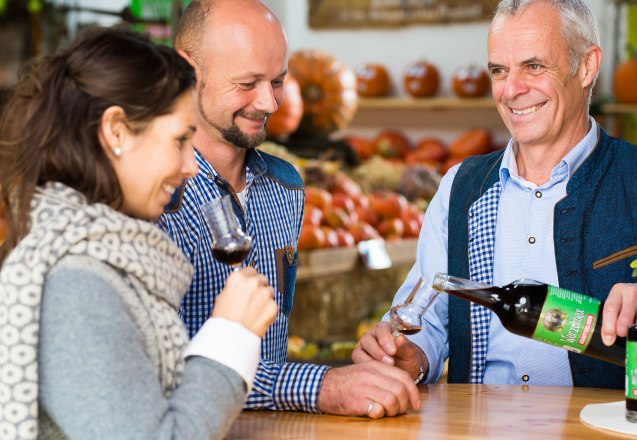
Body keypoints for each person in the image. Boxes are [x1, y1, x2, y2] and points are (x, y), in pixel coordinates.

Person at [353, 0, 637, 388]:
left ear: (588, 66)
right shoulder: (459, 187)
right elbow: (427, 319)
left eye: (533, 66)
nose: (511, 89)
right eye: (499, 70)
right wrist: (414, 357)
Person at [0, 27, 279, 439]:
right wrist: (230, 334)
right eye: (181, 140)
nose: (190, 166)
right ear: (116, 130)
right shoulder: (77, 282)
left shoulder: (103, 257)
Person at [158, 0, 419, 419]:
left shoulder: (286, 188)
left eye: (278, 81)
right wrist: (321, 386)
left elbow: (273, 345)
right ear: (188, 70)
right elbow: (163, 372)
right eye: (247, 83)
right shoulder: (151, 195)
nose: (269, 103)